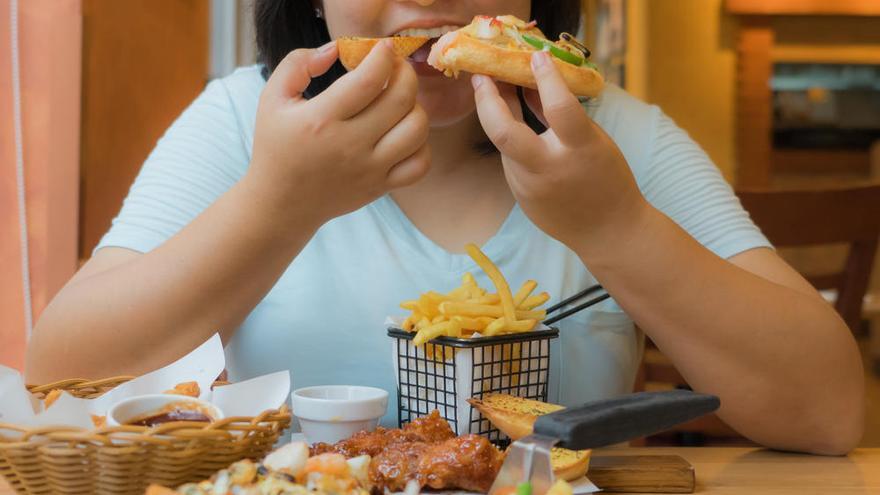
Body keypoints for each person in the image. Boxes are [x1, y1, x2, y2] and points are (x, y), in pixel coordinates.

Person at [27, 0, 863, 454]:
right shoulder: (246, 120)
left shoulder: (617, 138)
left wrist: (616, 225)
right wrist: (279, 202)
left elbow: (829, 410)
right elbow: (59, 377)